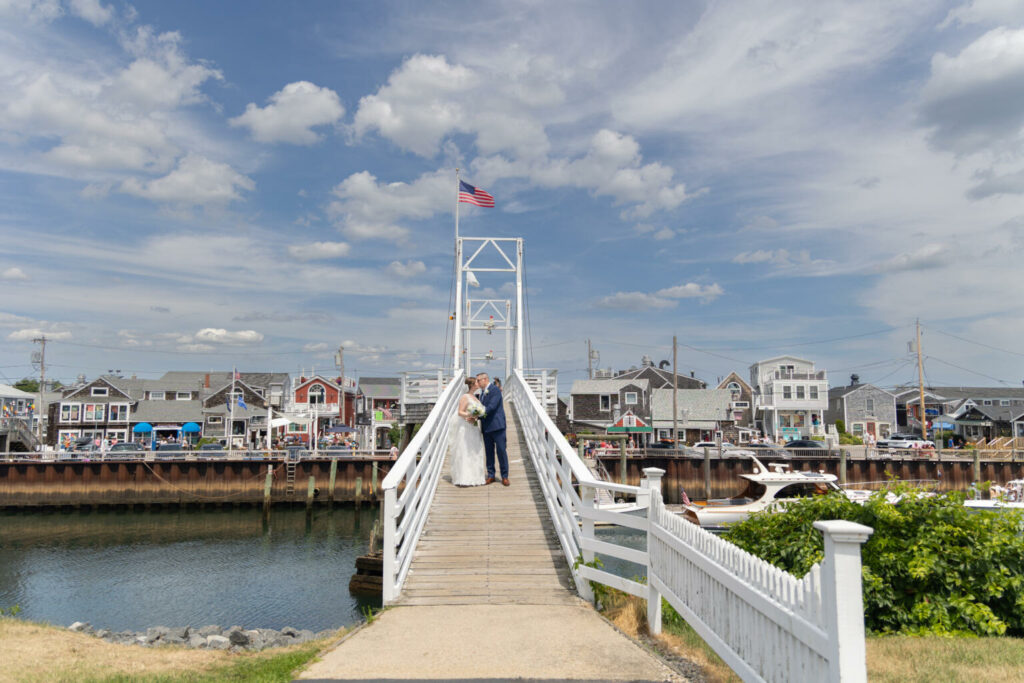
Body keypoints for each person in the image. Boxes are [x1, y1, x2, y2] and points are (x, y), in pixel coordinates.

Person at [448, 376, 486, 486]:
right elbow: (460, 412)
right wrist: (470, 415)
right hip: (466, 427)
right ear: (472, 385)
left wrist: (476, 416)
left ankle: (476, 478)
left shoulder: (475, 397)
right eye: (477, 382)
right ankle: (465, 478)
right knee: (466, 450)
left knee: (475, 451)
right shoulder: (465, 397)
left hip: (474, 426)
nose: (478, 383)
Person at [476, 372, 509, 486]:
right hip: (486, 427)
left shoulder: (495, 390)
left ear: (485, 379)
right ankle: (491, 475)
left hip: (497, 426)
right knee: (489, 452)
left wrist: (477, 415)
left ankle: (504, 476)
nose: (478, 383)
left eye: (479, 380)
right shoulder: (481, 394)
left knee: (501, 451)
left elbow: (492, 407)